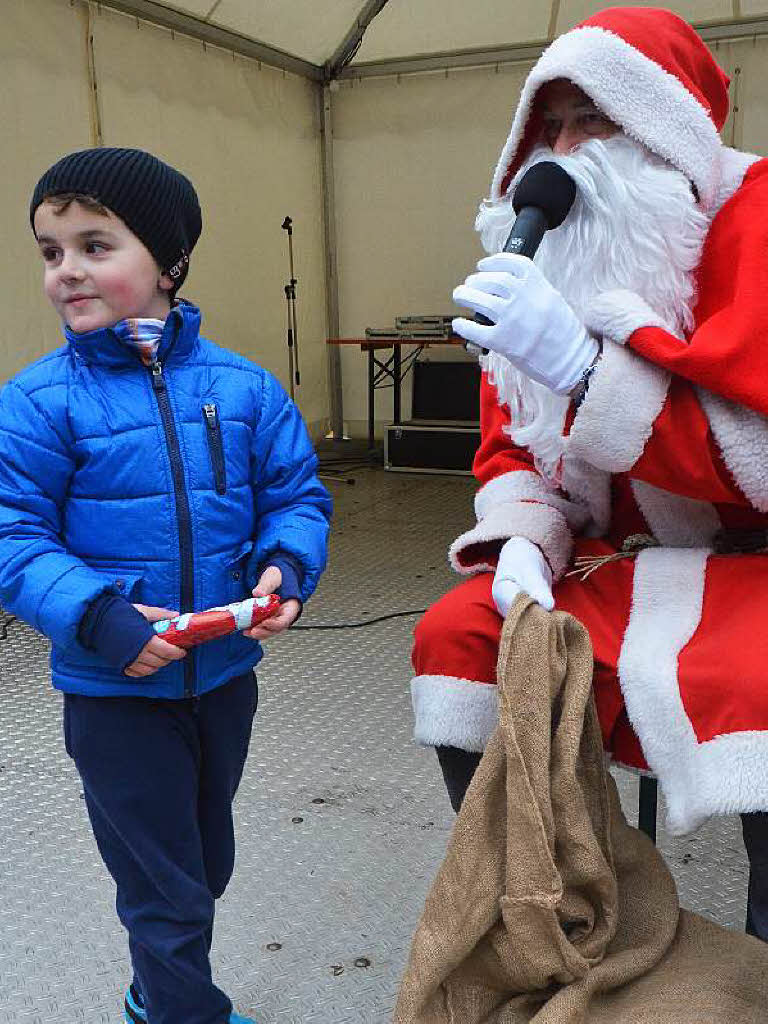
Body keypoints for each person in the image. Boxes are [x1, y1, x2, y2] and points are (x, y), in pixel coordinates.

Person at [410, 6, 768, 941]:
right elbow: (510, 449)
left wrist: (585, 372)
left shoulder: (759, 216)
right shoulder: (546, 252)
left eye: (592, 120)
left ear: (662, 130)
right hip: (621, 561)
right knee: (462, 631)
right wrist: (525, 539)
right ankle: (558, 916)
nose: (561, 153)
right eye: (548, 125)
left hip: (759, 561)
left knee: (761, 684)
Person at [0, 147, 332, 1024]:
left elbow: (295, 496)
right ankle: (181, 1013)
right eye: (49, 251)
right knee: (165, 889)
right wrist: (99, 616)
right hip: (116, 693)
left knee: (203, 860)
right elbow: (13, 535)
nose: (65, 270)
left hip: (222, 679)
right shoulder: (38, 404)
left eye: (94, 244)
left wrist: (286, 565)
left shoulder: (245, 388)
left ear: (169, 259)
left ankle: (155, 987)